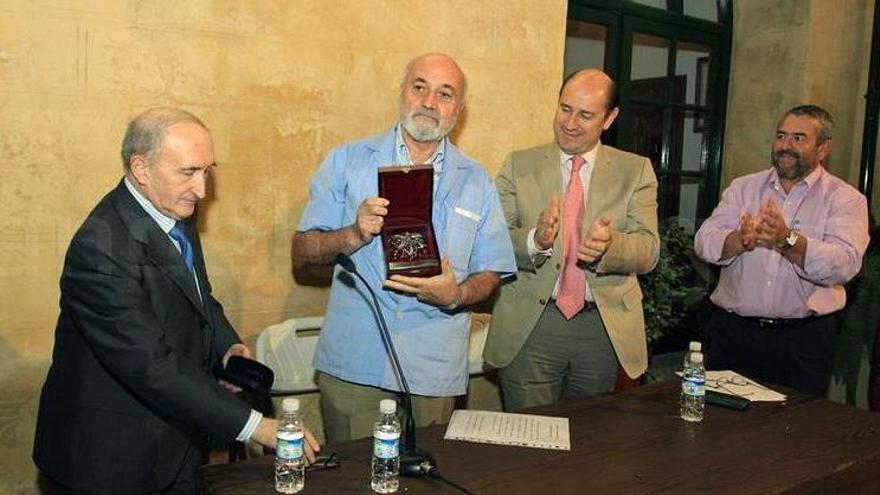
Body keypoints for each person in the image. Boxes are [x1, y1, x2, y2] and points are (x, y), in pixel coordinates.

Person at [33, 108, 318, 494]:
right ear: (141, 168)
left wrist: (225, 346)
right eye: (188, 172)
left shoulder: (171, 209)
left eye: (207, 171)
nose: (201, 190)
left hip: (177, 443)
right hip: (107, 458)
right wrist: (256, 426)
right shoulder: (100, 248)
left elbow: (198, 298)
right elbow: (150, 365)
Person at [291, 53, 515, 443]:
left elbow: (492, 271)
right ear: (402, 92)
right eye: (419, 87)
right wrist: (352, 234)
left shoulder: (477, 180)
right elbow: (302, 253)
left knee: (426, 470)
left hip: (433, 369)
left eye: (445, 94)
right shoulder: (347, 161)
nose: (429, 102)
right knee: (353, 472)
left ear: (459, 110)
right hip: (354, 363)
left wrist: (457, 295)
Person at [483, 69, 660, 411]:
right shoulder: (519, 165)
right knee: (528, 435)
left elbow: (649, 249)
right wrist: (535, 241)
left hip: (602, 330)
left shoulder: (635, 171)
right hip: (532, 327)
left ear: (610, 118)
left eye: (585, 115)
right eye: (565, 109)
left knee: (589, 437)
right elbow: (491, 240)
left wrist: (610, 248)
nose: (570, 123)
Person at [694, 104, 869, 397]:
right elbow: (704, 242)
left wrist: (787, 240)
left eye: (798, 138)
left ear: (823, 148)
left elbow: (844, 265)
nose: (785, 146)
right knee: (721, 423)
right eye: (781, 136)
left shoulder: (845, 199)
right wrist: (740, 239)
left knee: (794, 425)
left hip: (802, 341)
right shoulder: (743, 188)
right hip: (734, 335)